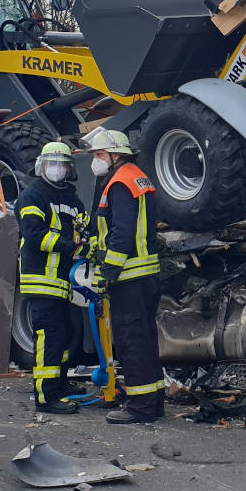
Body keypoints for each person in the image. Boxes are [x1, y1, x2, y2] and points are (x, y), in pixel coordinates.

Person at [81, 128, 163, 424]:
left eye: (100, 155)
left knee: (132, 342)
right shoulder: (136, 176)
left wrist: (107, 273)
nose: (96, 161)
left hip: (129, 277)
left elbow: (122, 234)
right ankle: (153, 404)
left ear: (116, 154)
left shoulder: (119, 183)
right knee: (146, 340)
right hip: (146, 275)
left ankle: (140, 408)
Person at [15, 142, 89, 415]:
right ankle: (46, 397)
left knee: (67, 333)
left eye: (61, 164)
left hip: (64, 282)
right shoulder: (33, 195)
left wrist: (87, 242)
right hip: (41, 279)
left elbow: (84, 226)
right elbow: (34, 235)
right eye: (51, 163)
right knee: (50, 336)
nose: (57, 169)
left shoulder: (72, 197)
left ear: (69, 168)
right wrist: (72, 245)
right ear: (42, 166)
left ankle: (60, 382)